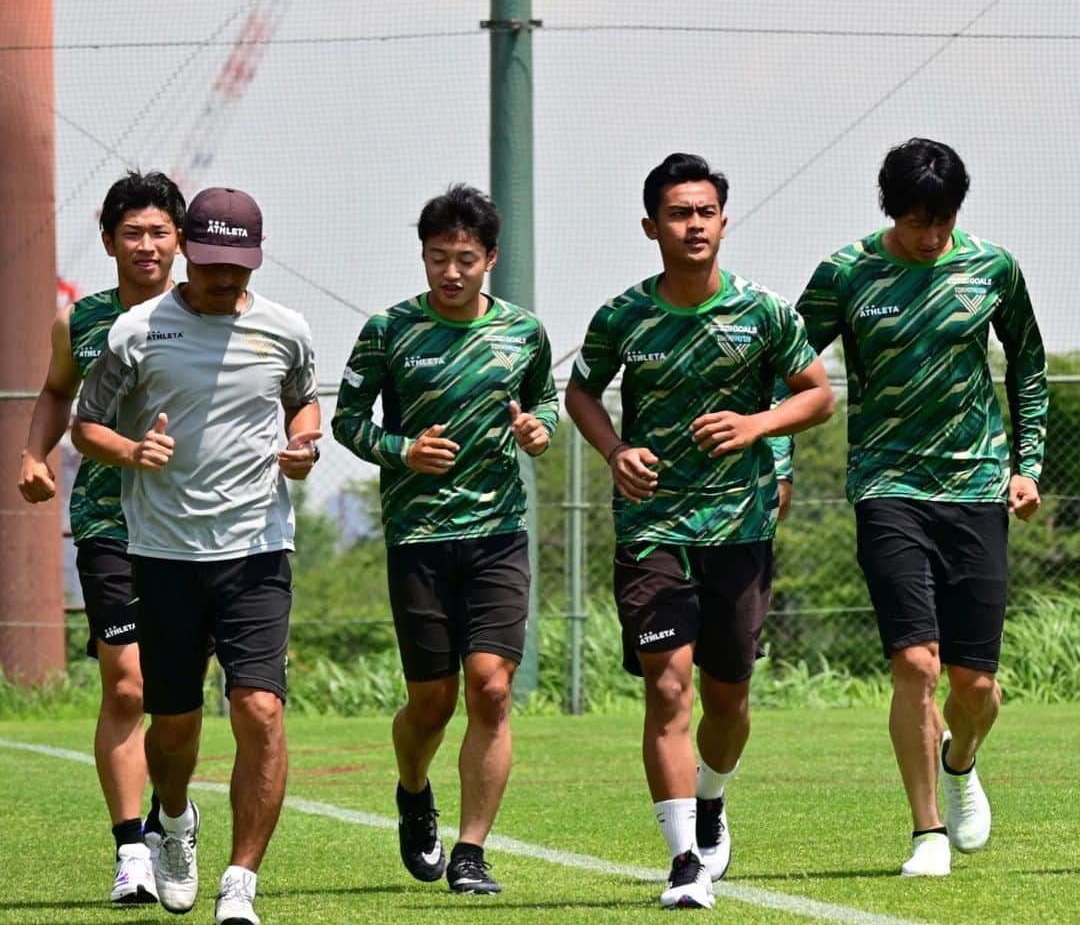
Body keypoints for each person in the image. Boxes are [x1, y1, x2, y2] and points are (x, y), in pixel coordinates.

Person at [565, 153, 834, 910]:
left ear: (722, 220)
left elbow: (817, 397)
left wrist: (759, 425)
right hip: (652, 528)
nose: (694, 225)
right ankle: (684, 861)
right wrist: (616, 450)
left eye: (706, 212)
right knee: (668, 688)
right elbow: (580, 391)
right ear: (651, 226)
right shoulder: (624, 316)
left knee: (729, 701)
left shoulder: (764, 313)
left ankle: (712, 801)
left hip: (741, 530)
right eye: (679, 213)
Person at [781, 138, 1047, 877]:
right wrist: (779, 463)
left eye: (942, 219)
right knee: (915, 663)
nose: (930, 235)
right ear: (889, 210)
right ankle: (927, 832)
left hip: (976, 488)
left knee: (976, 685)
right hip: (886, 483)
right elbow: (790, 373)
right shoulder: (846, 272)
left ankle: (959, 761)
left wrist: (1026, 466)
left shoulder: (992, 268)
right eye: (915, 220)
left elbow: (1027, 363)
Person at [72, 187, 321, 925]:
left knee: (261, 709)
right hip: (164, 553)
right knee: (174, 727)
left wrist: (304, 444)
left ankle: (241, 882)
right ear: (186, 251)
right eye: (211, 264)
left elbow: (304, 402)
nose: (224, 279)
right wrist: (130, 449)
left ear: (257, 257)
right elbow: (86, 424)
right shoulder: (137, 331)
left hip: (258, 550)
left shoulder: (287, 329)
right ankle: (174, 822)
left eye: (237, 266)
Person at [332, 184, 558, 896]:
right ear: (423, 257)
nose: (451, 272)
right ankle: (412, 788)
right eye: (437, 257)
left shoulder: (523, 332)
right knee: (431, 700)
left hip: (497, 535)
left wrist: (538, 428)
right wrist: (401, 451)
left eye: (465, 258)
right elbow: (345, 419)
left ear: (490, 257)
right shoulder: (389, 330)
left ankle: (471, 852)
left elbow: (545, 398)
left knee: (490, 689)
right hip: (418, 537)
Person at [18, 170, 185, 905]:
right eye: (133, 232)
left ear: (180, 238)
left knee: (176, 696)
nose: (146, 245)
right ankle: (131, 854)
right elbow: (56, 391)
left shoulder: (209, 313)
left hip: (195, 528)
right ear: (109, 238)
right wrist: (33, 453)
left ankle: (166, 819)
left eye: (159, 231)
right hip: (108, 521)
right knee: (127, 682)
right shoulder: (78, 322)